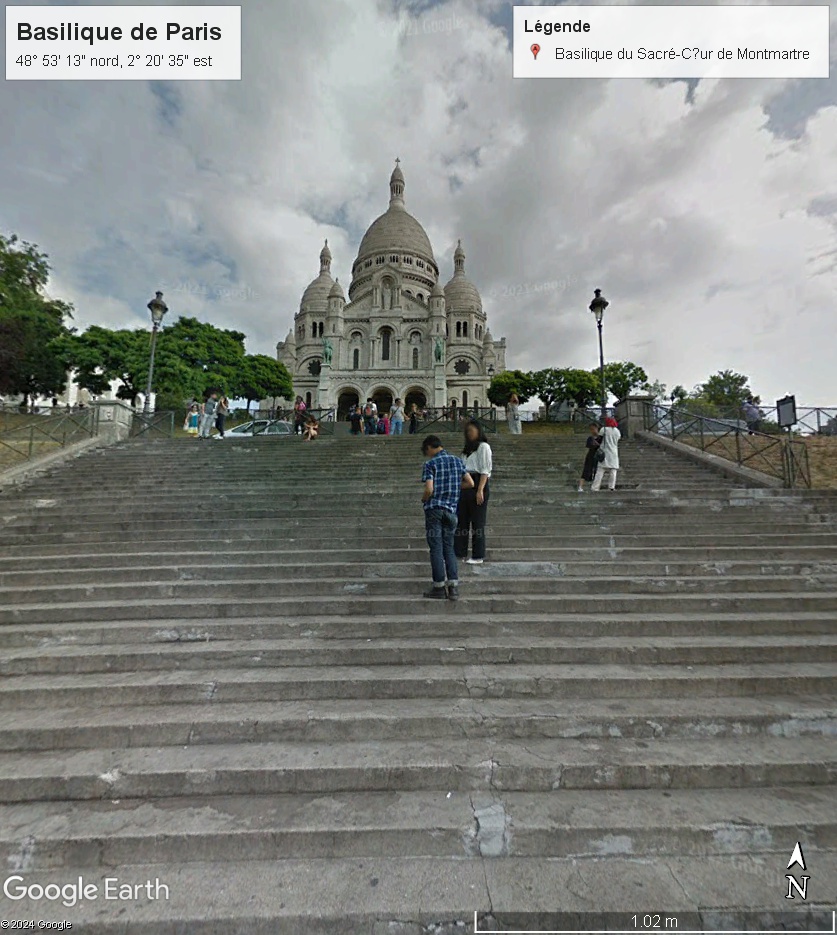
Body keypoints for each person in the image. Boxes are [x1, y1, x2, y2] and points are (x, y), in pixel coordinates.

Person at [421, 435, 475, 600]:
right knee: (449, 549)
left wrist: (424, 499)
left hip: (434, 510)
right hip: (451, 511)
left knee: (436, 549)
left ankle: (438, 587)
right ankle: (453, 587)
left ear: (430, 447)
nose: (427, 454)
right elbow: (470, 483)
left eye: (426, 451)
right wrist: (453, 488)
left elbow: (429, 489)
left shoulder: (430, 464)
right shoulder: (457, 461)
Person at [455, 420, 492, 565]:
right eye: (468, 431)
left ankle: (478, 555)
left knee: (478, 522)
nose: (469, 433)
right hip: (465, 482)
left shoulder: (483, 447)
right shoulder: (466, 451)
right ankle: (459, 552)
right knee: (461, 521)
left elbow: (485, 470)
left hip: (478, 483)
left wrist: (480, 490)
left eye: (472, 430)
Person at [591, 416, 621, 490]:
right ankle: (611, 487)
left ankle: (595, 487)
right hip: (614, 452)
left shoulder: (604, 429)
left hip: (604, 452)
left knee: (600, 470)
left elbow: (599, 440)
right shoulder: (617, 431)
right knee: (613, 471)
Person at [578, 422, 602, 492]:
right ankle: (580, 487)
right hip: (590, 456)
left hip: (598, 456)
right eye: (591, 429)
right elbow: (588, 446)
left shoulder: (601, 438)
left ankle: (595, 486)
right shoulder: (590, 438)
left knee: (597, 472)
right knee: (586, 471)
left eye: (594, 429)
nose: (592, 431)